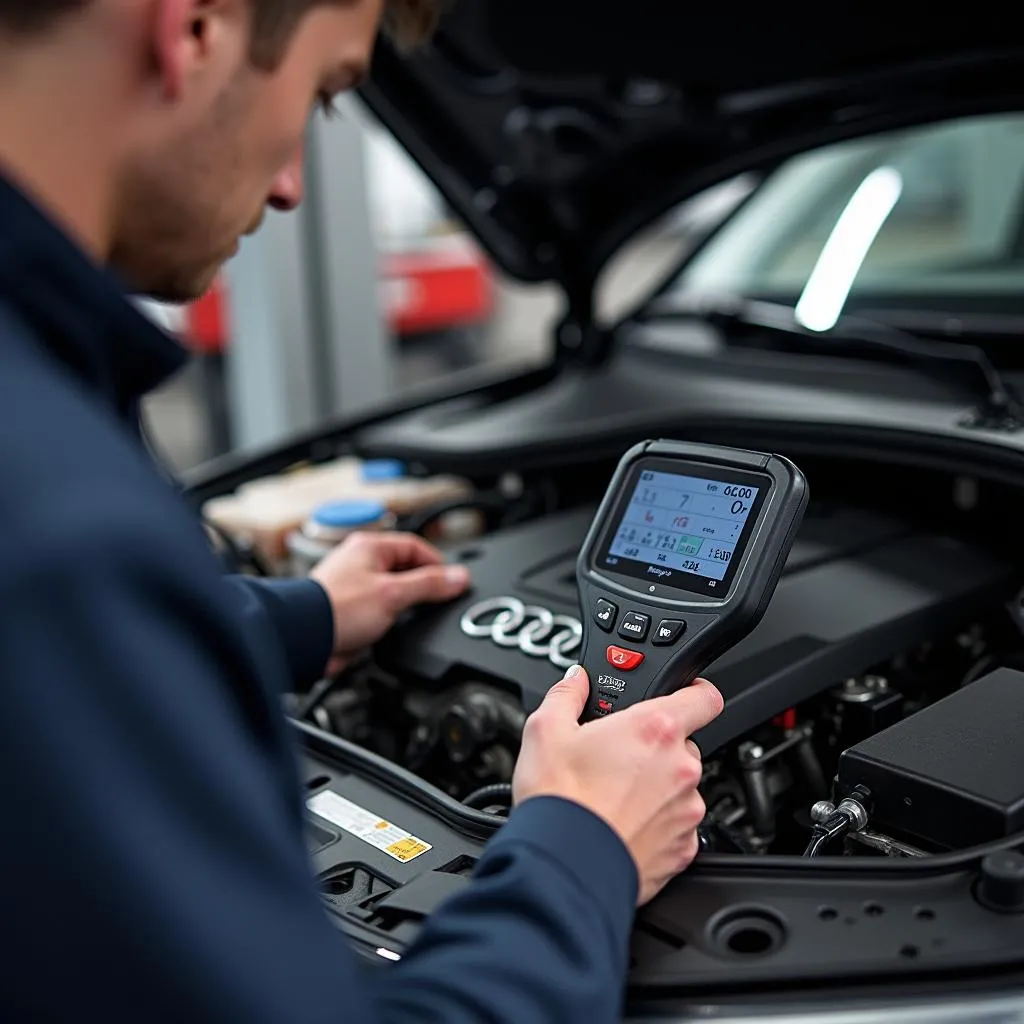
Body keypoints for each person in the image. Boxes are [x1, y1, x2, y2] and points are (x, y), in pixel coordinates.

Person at [0, 1, 725, 1021]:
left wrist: (290, 616)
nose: (293, 184)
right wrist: (580, 846)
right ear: (194, 27)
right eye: (325, 95)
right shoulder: (59, 522)